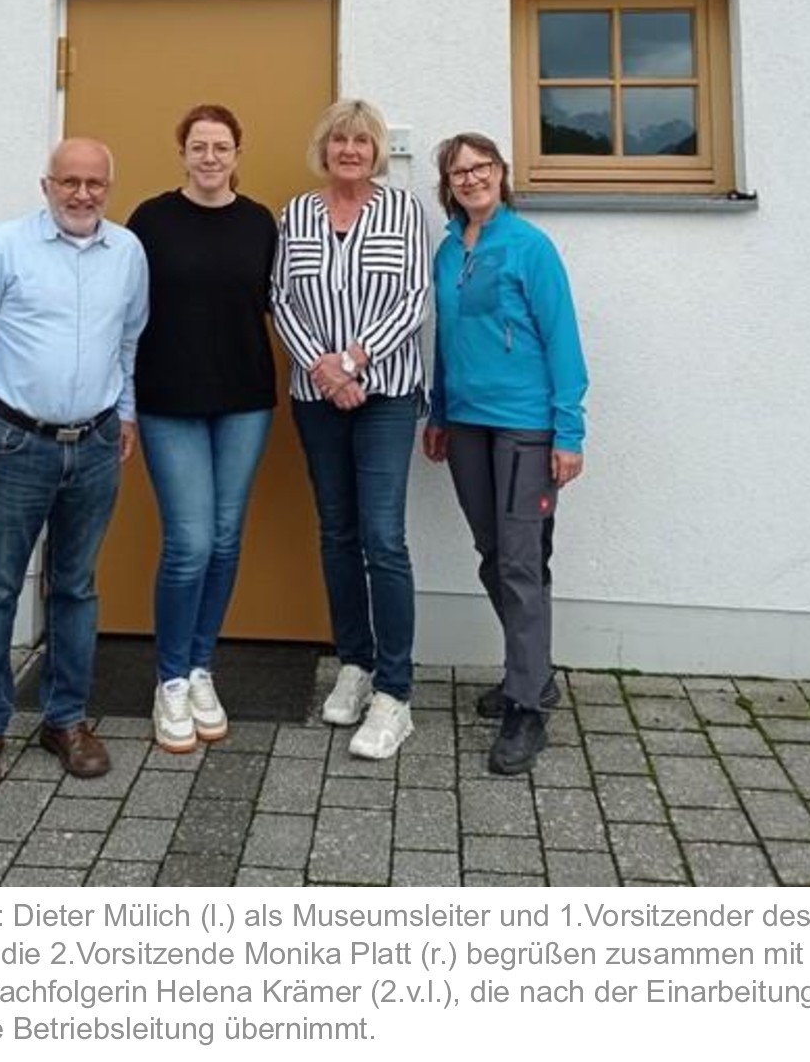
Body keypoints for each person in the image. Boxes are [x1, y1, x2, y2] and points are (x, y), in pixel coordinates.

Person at [0, 137, 148, 796]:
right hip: (13, 442)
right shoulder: (3, 246)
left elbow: (129, 340)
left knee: (76, 586)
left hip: (94, 444)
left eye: (95, 184)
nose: (82, 195)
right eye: (70, 182)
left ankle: (65, 720)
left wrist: (128, 415)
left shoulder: (128, 253)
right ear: (46, 184)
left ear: (109, 189)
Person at [422, 132, 587, 777]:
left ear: (500, 173)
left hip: (524, 428)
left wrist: (568, 431)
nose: (471, 178)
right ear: (448, 185)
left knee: (520, 563)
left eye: (481, 166)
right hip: (465, 425)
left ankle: (527, 707)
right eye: (459, 171)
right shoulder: (446, 251)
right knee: (495, 554)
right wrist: (437, 412)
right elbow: (448, 340)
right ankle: (533, 673)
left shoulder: (529, 247)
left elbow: (562, 340)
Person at [271, 98, 429, 761]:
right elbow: (279, 296)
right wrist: (325, 371)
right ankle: (355, 665)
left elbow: (416, 295)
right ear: (324, 148)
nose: (351, 151)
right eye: (340, 140)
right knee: (337, 531)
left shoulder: (405, 211)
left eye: (362, 141)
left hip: (386, 392)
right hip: (317, 395)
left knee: (382, 538)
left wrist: (355, 361)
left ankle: (395, 693)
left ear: (377, 151)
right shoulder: (296, 215)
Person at [127, 105, 277, 753]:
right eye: (198, 145)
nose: (210, 156)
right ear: (181, 152)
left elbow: (287, 302)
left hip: (244, 400)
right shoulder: (150, 220)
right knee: (188, 542)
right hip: (169, 401)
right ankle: (168, 680)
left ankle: (199, 668)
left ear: (238, 153)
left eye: (221, 146)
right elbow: (124, 311)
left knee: (223, 539)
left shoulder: (259, 222)